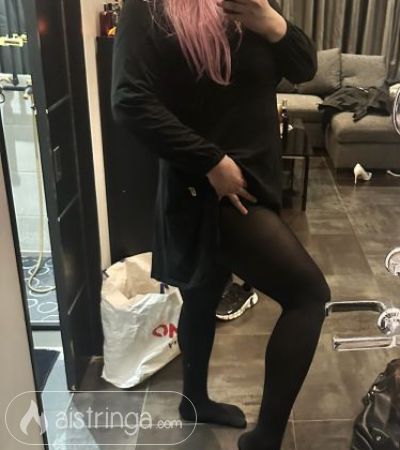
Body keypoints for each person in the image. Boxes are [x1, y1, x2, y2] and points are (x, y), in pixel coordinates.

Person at [111, 1, 330, 449]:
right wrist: (210, 161)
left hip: (250, 180)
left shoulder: (248, 3)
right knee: (308, 296)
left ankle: (193, 402)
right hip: (208, 191)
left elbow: (304, 67)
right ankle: (264, 439)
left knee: (203, 293)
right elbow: (129, 99)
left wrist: (271, 22)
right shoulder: (150, 7)